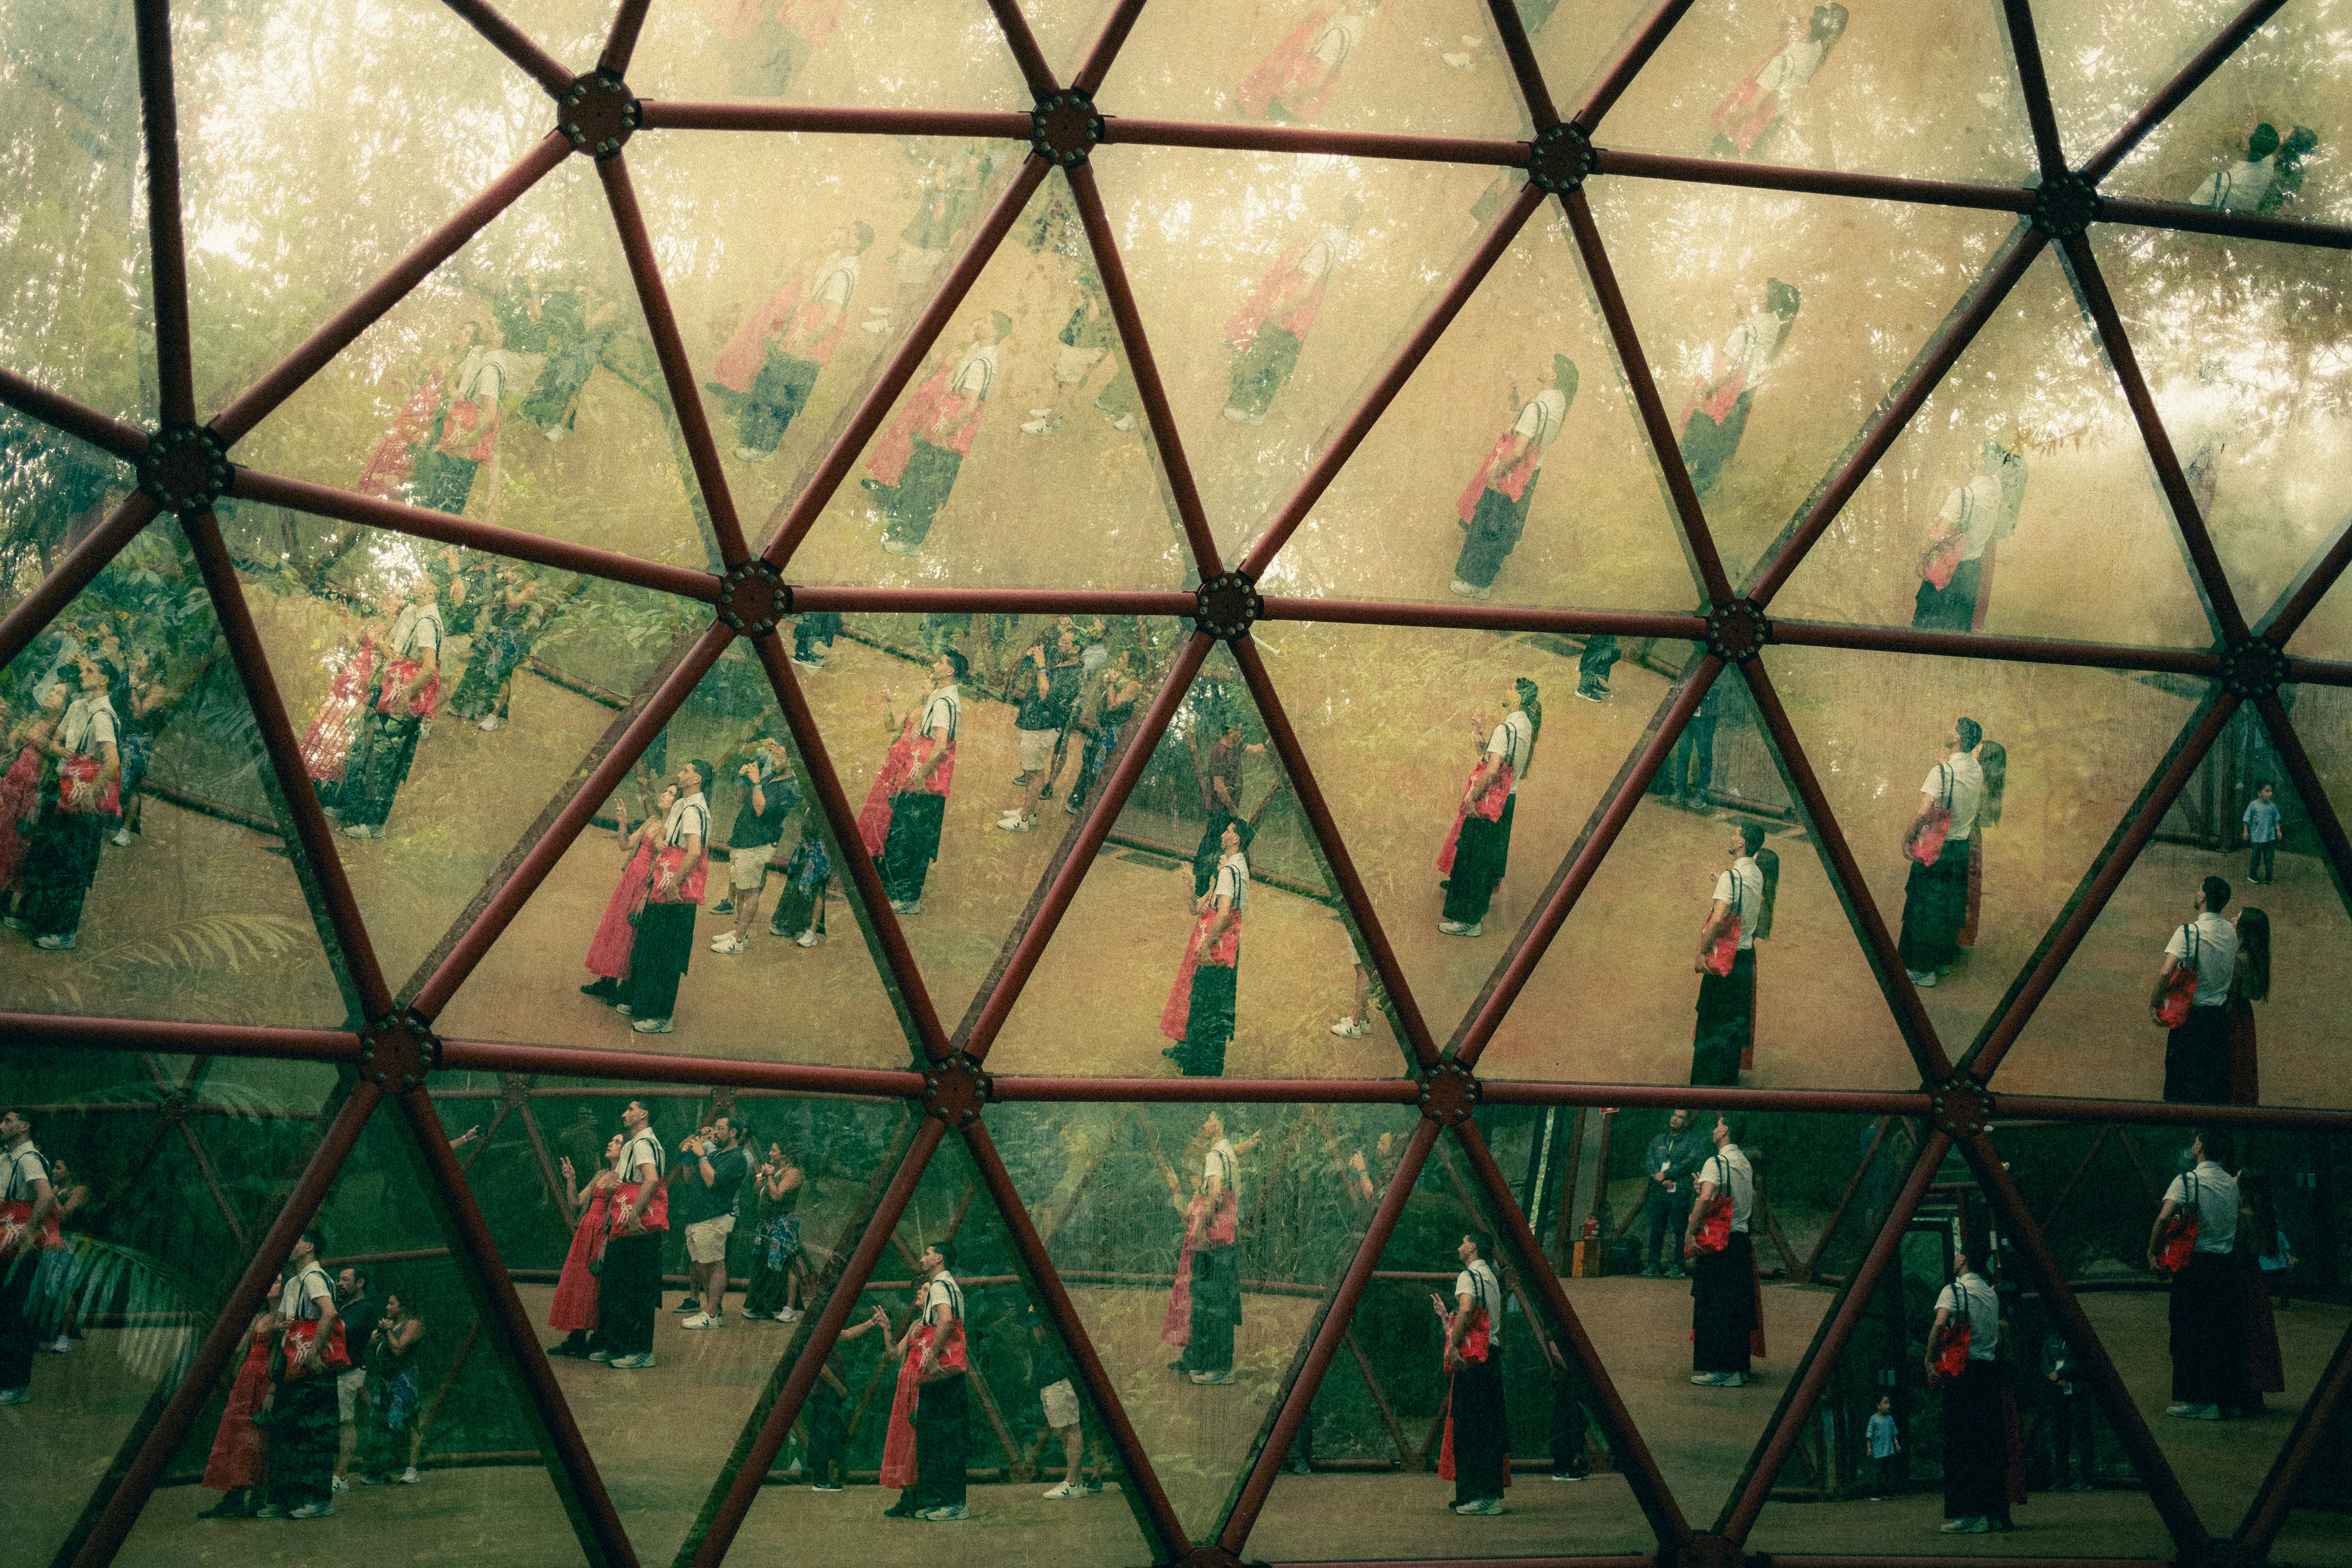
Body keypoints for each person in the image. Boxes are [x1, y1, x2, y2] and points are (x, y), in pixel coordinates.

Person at [708, 222, 876, 461]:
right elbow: (810, 293)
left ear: (857, 244)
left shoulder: (844, 275)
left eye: (850, 233)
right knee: (771, 379)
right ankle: (752, 428)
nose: (844, 234)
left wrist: (808, 339)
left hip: (810, 340)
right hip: (802, 327)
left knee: (784, 395)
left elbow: (831, 319)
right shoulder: (838, 258)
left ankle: (764, 450)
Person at [866, 312, 1009, 556]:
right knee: (916, 475)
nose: (980, 323)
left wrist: (947, 431)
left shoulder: (982, 364)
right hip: (941, 426)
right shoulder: (977, 349)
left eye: (985, 322)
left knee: (928, 490)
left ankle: (911, 542)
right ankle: (899, 526)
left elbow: (970, 407)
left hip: (949, 435)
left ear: (994, 332)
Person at [1221, 196, 1362, 424]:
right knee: (1276, 364)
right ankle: (1257, 413)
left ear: (1343, 214)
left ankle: (1238, 408)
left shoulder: (1325, 246)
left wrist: (1281, 308)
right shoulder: (1340, 242)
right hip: (1302, 321)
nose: (1329, 206)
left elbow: (1306, 289)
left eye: (1335, 205)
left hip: (1289, 314)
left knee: (1261, 356)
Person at [1450, 357, 1575, 601]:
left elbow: (1518, 452)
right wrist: (1514, 387)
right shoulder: (1556, 401)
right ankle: (1480, 575)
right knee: (1500, 525)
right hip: (1529, 476)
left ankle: (1476, 584)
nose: (1542, 365)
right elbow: (1518, 407)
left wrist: (1496, 472)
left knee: (1489, 527)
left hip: (1512, 471)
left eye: (1547, 364)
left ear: (1554, 376)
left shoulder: (1536, 409)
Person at [21, 657, 122, 951]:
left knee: (73, 865)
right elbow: (55, 742)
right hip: (65, 791)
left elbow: (112, 760)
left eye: (91, 670)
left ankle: (65, 932)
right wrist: (62, 750)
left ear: (104, 680)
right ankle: (46, 922)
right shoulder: (78, 706)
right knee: (55, 858)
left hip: (81, 800)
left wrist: (92, 793)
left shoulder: (103, 715)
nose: (83, 673)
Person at [2149, 1129, 2248, 1422]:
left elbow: (2164, 1218)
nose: (2193, 1145)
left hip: (2193, 1267)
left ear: (2202, 1148)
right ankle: (2221, 1399)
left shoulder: (2186, 1181)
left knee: (2187, 1331)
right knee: (2219, 1334)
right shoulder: (2231, 1186)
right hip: (2225, 1268)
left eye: (2197, 1141)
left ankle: (2198, 1400)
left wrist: (2152, 1254)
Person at [1438, 679, 1541, 938]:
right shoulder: (1526, 726)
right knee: (1484, 860)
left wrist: (1472, 797)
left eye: (1510, 688)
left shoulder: (1505, 729)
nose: (1505, 691)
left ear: (1517, 697)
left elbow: (1492, 769)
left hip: (1488, 803)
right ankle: (1469, 904)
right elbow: (1494, 757)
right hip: (1506, 802)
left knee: (1473, 859)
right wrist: (1479, 732)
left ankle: (1469, 922)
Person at [339, 580, 442, 841]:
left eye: (423, 582)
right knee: (372, 753)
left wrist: (406, 694)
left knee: (385, 763)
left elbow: (429, 666)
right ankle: (357, 811)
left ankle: (374, 824)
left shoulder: (428, 623)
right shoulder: (418, 615)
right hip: (391, 694)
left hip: (402, 703)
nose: (416, 585)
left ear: (431, 591)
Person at [1680, 280, 1801, 498]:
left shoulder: (1750, 329)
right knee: (1713, 460)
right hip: (1742, 397)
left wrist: (1707, 388)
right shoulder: (1774, 325)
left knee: (1688, 452)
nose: (1759, 295)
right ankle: (1700, 501)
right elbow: (1751, 339)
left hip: (1723, 395)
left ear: (1770, 300)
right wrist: (1740, 317)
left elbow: (1729, 358)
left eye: (1764, 294)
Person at [618, 760, 713, 1035]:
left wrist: (675, 886)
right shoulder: (684, 805)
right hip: (665, 880)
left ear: (697, 779)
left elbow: (694, 851)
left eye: (685, 771)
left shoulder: (695, 810)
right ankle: (643, 1004)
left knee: (666, 953)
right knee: (651, 946)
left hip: (676, 890)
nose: (680, 774)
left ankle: (661, 1016)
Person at [263, 1227, 346, 1520]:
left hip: (310, 1365)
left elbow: (330, 1312)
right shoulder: (293, 1283)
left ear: (309, 1246)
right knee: (288, 1430)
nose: (290, 1246)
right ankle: (287, 1498)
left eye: (296, 1241)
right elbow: (282, 1321)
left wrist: (313, 1351)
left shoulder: (314, 1278)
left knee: (314, 1432)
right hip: (292, 1362)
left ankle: (318, 1499)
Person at [1898, 718, 1988, 988]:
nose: (1948, 732)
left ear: (1959, 738)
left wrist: (1907, 838)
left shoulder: (1940, 773)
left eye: (1952, 729)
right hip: (1961, 849)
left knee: (1925, 906)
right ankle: (1942, 960)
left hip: (1937, 850)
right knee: (1949, 905)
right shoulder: (1977, 771)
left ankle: (1922, 970)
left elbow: (1924, 810)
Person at [1928, 1234, 2009, 1533]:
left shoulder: (1953, 1291)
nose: (1955, 1256)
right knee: (1987, 1443)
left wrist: (1929, 1360)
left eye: (1959, 1252)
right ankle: (1993, 1511)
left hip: (1962, 1375)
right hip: (1988, 1374)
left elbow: (1940, 1325)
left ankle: (1968, 1514)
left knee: (1961, 1443)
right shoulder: (1991, 1295)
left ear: (1963, 1260)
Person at [873, 651, 963, 916]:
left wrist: (922, 775)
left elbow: (942, 745)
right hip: (921, 778)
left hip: (927, 784)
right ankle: (896, 892)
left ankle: (908, 899)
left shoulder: (945, 702)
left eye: (941, 663)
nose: (935, 665)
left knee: (914, 839)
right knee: (904, 836)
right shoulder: (941, 697)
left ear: (950, 671)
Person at [1162, 819, 1251, 1078]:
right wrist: (1190, 884)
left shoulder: (1228, 873)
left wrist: (1206, 947)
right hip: (1220, 944)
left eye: (1229, 831)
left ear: (1236, 840)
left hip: (1213, 944)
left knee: (1203, 1001)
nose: (1223, 834)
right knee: (1198, 996)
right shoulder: (1236, 868)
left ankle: (1198, 1063)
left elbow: (1223, 916)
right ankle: (1190, 1050)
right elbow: (1197, 908)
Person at [1708, 4, 1851, 158]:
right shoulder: (1817, 52)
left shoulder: (1781, 63)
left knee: (1716, 157)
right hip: (1774, 121)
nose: (1800, 19)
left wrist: (1725, 123)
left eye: (1807, 18)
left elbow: (1751, 108)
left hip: (1750, 126)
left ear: (1810, 28)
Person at [1163, 1114, 1243, 1384]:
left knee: (1213, 1305)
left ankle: (1218, 1368)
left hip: (1210, 1241)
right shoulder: (1227, 1153)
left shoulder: (1214, 1156)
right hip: (1222, 1241)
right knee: (1210, 1303)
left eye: (1208, 1119)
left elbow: (1216, 1195)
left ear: (1220, 1121)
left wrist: (1200, 1229)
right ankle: (1202, 1361)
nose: (1204, 1125)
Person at [1433, 1232, 1510, 1516]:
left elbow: (1466, 1310)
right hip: (1490, 1359)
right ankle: (1479, 1494)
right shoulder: (1491, 1278)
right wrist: (1445, 1317)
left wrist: (1453, 1347)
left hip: (1473, 1365)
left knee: (1469, 1428)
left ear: (1473, 1247)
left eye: (1463, 1241)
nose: (1459, 1245)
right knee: (1486, 1427)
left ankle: (1481, 1497)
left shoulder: (1468, 1276)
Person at [1914, 442, 2027, 631]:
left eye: (1967, 460)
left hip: (1948, 570)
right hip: (1972, 572)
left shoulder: (1962, 496)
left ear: (1978, 466)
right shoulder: (1997, 494)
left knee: (1926, 627)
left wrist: (1928, 535)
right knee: (1958, 625)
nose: (1962, 464)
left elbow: (1937, 537)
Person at [1684, 1113, 1757, 1387]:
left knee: (1714, 1305)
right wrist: (1704, 1188)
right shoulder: (1744, 1163)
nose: (1714, 1130)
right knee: (1736, 1306)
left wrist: (1691, 1233)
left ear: (1725, 1130)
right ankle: (1738, 1368)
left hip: (1718, 1245)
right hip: (1739, 1242)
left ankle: (1720, 1369)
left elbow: (1705, 1200)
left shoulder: (1715, 1162)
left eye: (1718, 1125)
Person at [2152, 876, 2239, 1105]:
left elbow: (2164, 973)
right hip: (2218, 1019)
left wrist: (2155, 1002)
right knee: (2210, 1081)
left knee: (2179, 1078)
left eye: (2199, 889)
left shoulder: (2188, 932)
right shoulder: (2231, 933)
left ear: (2203, 897)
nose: (2196, 892)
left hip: (2189, 1018)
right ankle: (2203, 1137)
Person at [1690, 824, 1766, 1086]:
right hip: (1745, 961)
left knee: (1710, 1023)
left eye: (1736, 834)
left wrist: (1700, 954)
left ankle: (1700, 1085)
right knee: (1734, 1025)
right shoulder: (1756, 875)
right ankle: (1727, 1085)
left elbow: (1718, 918)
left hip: (1725, 962)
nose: (1732, 837)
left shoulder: (1730, 878)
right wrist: (1721, 881)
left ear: (1743, 842)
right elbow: (1742, 896)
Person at [594, 1101, 667, 1371]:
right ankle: (620, 1344)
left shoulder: (644, 1144)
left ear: (643, 1114)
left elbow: (651, 1179)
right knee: (621, 1285)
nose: (624, 1114)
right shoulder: (636, 1144)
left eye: (631, 1109)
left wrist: (635, 1215)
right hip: (625, 1225)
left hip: (636, 1227)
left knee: (637, 1288)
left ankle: (641, 1350)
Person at [711, 736, 798, 955]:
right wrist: (748, 776)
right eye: (774, 754)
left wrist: (757, 781)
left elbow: (761, 809)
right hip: (745, 839)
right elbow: (752, 797)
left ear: (793, 761)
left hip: (757, 844)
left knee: (750, 892)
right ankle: (741, 933)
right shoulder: (773, 778)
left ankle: (738, 941)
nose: (774, 756)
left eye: (780, 755)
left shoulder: (790, 788)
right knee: (742, 890)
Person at [581, 786, 666, 1003]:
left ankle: (625, 986)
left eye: (670, 794)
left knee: (631, 930)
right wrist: (623, 821)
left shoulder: (671, 827)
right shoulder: (652, 821)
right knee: (616, 925)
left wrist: (647, 893)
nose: (664, 795)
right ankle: (608, 981)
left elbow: (660, 863)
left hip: (645, 881)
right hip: (631, 875)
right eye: (665, 791)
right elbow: (625, 845)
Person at [198, 1306, 283, 1517]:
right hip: (247, 1377)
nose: (276, 1285)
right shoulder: (258, 1316)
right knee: (237, 1435)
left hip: (265, 1376)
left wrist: (273, 1387)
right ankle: (233, 1496)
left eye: (280, 1281)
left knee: (259, 1436)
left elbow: (282, 1354)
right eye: (273, 1282)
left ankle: (257, 1497)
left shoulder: (283, 1318)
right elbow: (240, 1348)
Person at [998, 627, 1085, 833]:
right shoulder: (1061, 661)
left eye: (1065, 642)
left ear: (1077, 648)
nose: (1060, 644)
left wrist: (1042, 666)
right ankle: (1031, 810)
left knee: (1035, 772)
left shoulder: (1075, 673)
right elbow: (1032, 671)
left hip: (1043, 727)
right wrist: (1032, 658)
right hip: (1034, 723)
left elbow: (1046, 693)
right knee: (1030, 769)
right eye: (1061, 640)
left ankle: (1024, 819)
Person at [0, 1107, 60, 1405]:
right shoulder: (7, 1158)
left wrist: (28, 1233)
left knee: (12, 1313)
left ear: (24, 1126)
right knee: (5, 1312)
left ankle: (16, 1385)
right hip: (4, 1241)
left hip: (16, 1244)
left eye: (8, 1121)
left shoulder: (28, 1159)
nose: (2, 1125)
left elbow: (46, 1196)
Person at [910, 1241, 972, 1521]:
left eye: (928, 1252)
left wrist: (933, 1357)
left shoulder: (938, 1287)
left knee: (943, 1438)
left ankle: (954, 1503)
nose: (924, 1257)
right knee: (944, 1437)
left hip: (941, 1373)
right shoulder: (951, 1286)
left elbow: (945, 1321)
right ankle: (945, 1501)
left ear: (940, 1258)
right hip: (951, 1372)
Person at [1240, 0, 1376, 123]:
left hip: (1298, 99)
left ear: (1362, 4)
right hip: (1306, 89)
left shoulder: (1338, 36)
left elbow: (1318, 80)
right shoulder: (1354, 19)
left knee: (1274, 126)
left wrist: (1288, 97)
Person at [445, 564, 544, 733]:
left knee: (501, 673)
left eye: (510, 570)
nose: (506, 574)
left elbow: (514, 605)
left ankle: (494, 716)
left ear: (522, 570)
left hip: (514, 636)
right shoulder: (508, 585)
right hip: (497, 631)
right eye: (506, 570)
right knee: (479, 663)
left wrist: (509, 588)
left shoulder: (530, 586)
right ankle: (464, 705)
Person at [548, 1135, 622, 1355]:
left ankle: (595, 1336)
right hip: (586, 1230)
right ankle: (577, 1337)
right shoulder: (602, 1173)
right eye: (611, 1140)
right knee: (578, 1281)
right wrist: (571, 1180)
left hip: (602, 1232)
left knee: (593, 1283)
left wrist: (607, 1240)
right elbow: (575, 1203)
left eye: (618, 1142)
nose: (610, 1143)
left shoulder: (625, 1175)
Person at [806, 1303, 891, 1491]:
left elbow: (847, 1334)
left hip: (831, 1394)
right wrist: (839, 1388)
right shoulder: (817, 1331)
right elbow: (820, 1366)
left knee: (831, 1433)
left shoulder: (827, 1329)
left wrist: (871, 1322)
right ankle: (820, 1479)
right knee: (823, 1434)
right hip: (826, 1393)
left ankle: (823, 1478)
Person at [677, 1115, 751, 1330]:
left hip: (715, 1216)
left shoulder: (737, 1159)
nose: (714, 1132)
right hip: (698, 1216)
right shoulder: (717, 1154)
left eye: (720, 1128)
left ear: (733, 1133)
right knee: (703, 1264)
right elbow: (690, 1179)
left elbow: (712, 1181)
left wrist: (701, 1155)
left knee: (716, 1265)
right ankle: (713, 1311)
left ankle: (710, 1314)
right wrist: (688, 1157)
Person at [356, 1287, 426, 1485]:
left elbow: (398, 1350)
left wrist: (387, 1331)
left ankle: (412, 1469)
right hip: (385, 1380)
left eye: (392, 1304)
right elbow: (375, 1353)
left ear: (403, 1307)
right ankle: (379, 1471)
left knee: (409, 1421)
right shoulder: (392, 1326)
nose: (387, 1307)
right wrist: (373, 1341)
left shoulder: (413, 1324)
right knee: (380, 1423)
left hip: (405, 1379)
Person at [1190, 715, 1264, 898]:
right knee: (1212, 846)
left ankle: (1213, 886)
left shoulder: (1236, 748)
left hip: (1228, 809)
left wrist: (1273, 741)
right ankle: (1202, 888)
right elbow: (1219, 786)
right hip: (1220, 809)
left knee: (1219, 845)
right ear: (1230, 731)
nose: (1241, 733)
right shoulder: (1220, 752)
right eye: (1238, 729)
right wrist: (1231, 808)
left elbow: (1256, 749)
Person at [1064, 648, 1144, 816]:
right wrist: (1106, 682)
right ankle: (1077, 802)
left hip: (1111, 733)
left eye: (1124, 658)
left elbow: (1113, 706)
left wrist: (1112, 684)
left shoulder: (1133, 685)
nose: (1120, 660)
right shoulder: (1122, 679)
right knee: (1088, 763)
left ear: (1132, 664)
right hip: (1100, 728)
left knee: (1098, 769)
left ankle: (1089, 808)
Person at [1030, 1304, 1098, 1498]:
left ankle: (1072, 1484)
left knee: (1071, 1430)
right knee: (1065, 1430)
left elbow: (1040, 1337)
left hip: (1059, 1377)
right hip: (1056, 1377)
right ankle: (1077, 1481)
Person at [1640, 1109, 1708, 1279]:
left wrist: (1668, 1174)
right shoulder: (1658, 1140)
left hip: (1679, 1191)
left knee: (1680, 1229)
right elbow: (1649, 1160)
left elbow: (1690, 1162)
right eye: (1674, 1116)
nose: (1675, 1119)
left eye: (1680, 1118)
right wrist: (1659, 1177)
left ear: (1686, 1123)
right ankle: (1653, 1265)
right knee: (1657, 1228)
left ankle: (1678, 1266)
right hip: (1659, 1190)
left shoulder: (1692, 1141)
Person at [331, 1266, 381, 1494]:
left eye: (345, 1280)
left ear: (360, 1283)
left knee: (346, 1421)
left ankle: (341, 1477)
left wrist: (326, 1315)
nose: (339, 1283)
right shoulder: (342, 1306)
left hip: (350, 1370)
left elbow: (347, 1333)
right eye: (338, 1280)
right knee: (336, 1422)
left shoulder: (366, 1308)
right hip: (334, 1370)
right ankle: (332, 1474)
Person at [743, 1141, 806, 1322]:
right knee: (765, 1265)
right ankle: (762, 1306)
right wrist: (761, 1180)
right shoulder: (777, 1172)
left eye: (774, 1151)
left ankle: (789, 1308)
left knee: (786, 1265)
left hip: (784, 1226)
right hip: (768, 1226)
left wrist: (769, 1176)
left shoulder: (793, 1173)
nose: (770, 1154)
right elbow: (759, 1192)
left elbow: (777, 1195)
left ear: (784, 1155)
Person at [769, 813, 833, 947]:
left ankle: (812, 932)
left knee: (817, 889)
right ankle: (790, 925)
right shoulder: (811, 807)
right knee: (796, 885)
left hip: (821, 851)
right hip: (806, 847)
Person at [2041, 1332, 2093, 1491]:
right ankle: (2062, 1477)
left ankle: (2086, 1477)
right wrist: (2053, 1377)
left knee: (2083, 1435)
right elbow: (2045, 1362)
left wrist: (2063, 1375)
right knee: (2061, 1436)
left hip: (2078, 1393)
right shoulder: (2052, 1340)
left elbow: (2081, 1363)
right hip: (2058, 1395)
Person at [2228, 906, 2269, 1106]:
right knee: (2244, 1065)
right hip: (2245, 1017)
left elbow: (2229, 996)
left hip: (2232, 1018)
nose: (2233, 920)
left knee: (2231, 1065)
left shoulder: (2239, 959)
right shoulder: (2256, 956)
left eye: (2238, 918)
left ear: (2246, 929)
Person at [2242, 781, 2280, 885]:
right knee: (2256, 857)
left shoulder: (2272, 806)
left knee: (2269, 858)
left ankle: (2269, 877)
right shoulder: (2253, 805)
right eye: (2267, 791)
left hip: (2269, 837)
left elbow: (2276, 820)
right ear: (2259, 793)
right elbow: (2247, 819)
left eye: (2271, 791)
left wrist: (2278, 830)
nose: (2270, 794)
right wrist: (2246, 831)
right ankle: (2252, 875)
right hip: (2257, 837)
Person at [1867, 1394, 1901, 1500]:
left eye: (1889, 1403)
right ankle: (1876, 1493)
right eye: (1885, 1403)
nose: (1888, 1405)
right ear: (1878, 1405)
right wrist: (1869, 1448)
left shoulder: (1890, 1419)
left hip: (1889, 1450)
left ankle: (1889, 1493)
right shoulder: (1874, 1419)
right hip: (1878, 1451)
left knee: (1889, 1472)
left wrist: (1897, 1444)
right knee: (1878, 1472)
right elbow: (1869, 1435)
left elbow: (1894, 1433)